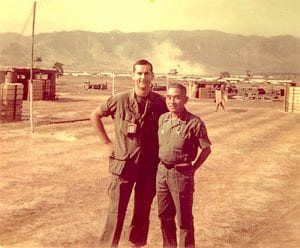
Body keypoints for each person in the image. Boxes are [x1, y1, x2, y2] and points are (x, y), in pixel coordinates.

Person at [90, 59, 167, 247]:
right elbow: (95, 115)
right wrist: (107, 142)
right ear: (133, 75)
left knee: (142, 210)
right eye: (139, 73)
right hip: (124, 165)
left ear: (152, 76)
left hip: (148, 167)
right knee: (116, 210)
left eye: (147, 73)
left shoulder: (160, 102)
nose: (143, 77)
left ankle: (136, 244)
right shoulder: (120, 99)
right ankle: (109, 245)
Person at [156, 83, 211, 248]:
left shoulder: (194, 123)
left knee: (184, 220)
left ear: (185, 99)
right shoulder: (163, 119)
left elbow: (206, 149)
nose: (172, 101)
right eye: (169, 97)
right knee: (164, 216)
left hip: (181, 174)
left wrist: (192, 169)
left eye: (177, 97)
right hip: (162, 172)